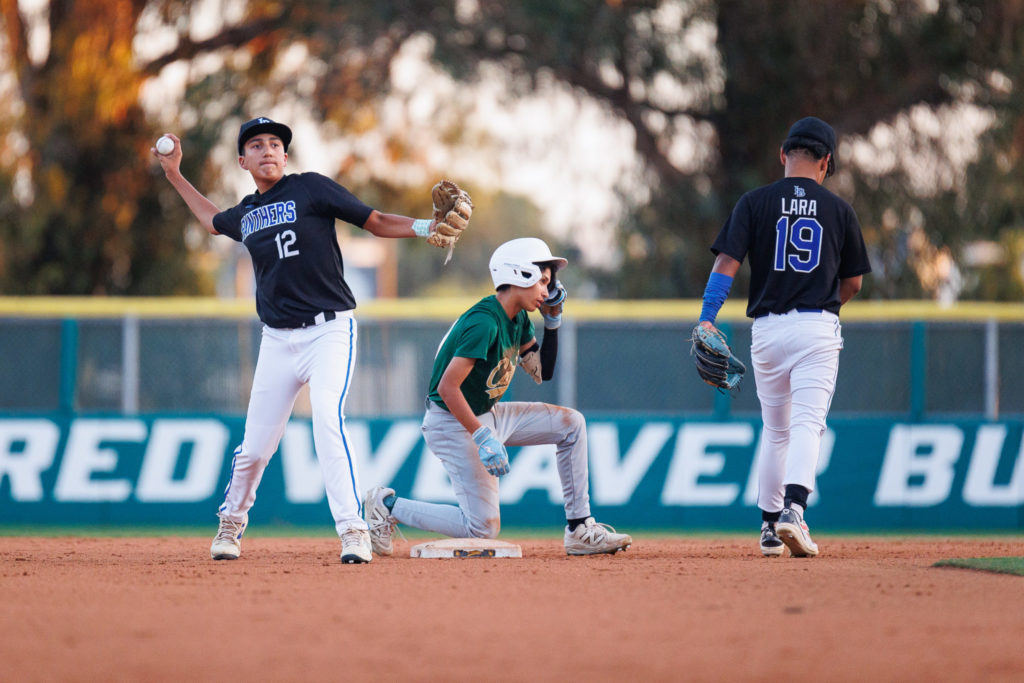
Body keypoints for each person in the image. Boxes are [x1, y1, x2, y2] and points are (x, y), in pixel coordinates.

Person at [153, 117, 455, 564]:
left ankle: (353, 530)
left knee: (328, 423)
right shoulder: (246, 214)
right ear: (243, 161)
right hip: (276, 340)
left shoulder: (310, 188)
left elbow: (372, 220)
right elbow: (212, 221)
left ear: (286, 155)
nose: (268, 150)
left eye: (275, 143)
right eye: (257, 145)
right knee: (255, 448)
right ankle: (231, 523)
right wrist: (175, 174)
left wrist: (423, 228)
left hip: (329, 331)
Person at [361, 238, 632, 556]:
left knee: (572, 424)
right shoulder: (485, 322)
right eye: (542, 281)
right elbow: (449, 388)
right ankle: (387, 505)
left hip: (488, 412)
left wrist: (553, 322)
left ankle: (579, 529)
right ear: (520, 274)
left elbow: (541, 372)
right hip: (452, 421)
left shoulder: (517, 317)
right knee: (483, 528)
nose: (547, 290)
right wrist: (482, 435)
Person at [697, 117, 871, 558]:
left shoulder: (755, 202)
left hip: (768, 331)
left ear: (783, 155)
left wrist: (707, 318)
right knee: (807, 424)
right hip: (816, 326)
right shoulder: (839, 210)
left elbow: (725, 267)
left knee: (776, 431)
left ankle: (770, 527)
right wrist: (823, 304)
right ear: (826, 162)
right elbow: (853, 284)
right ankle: (795, 509)